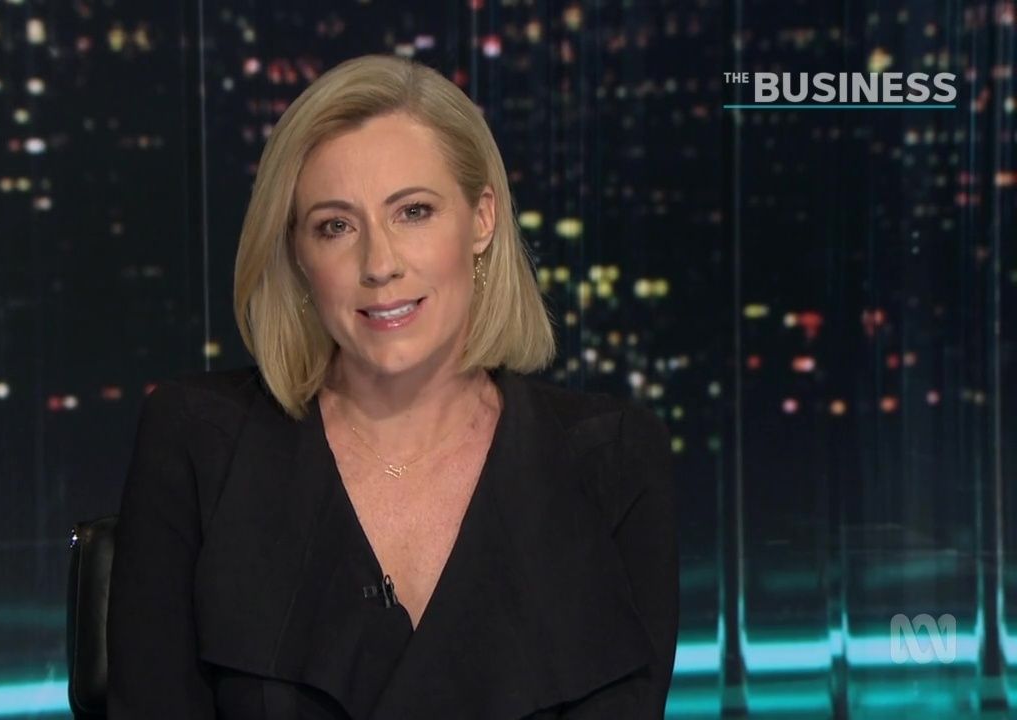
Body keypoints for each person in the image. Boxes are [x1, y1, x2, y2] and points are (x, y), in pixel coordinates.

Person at [107, 54, 677, 719]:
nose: (379, 264)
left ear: (482, 219)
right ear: (297, 252)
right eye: (336, 226)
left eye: (413, 212)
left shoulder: (611, 460)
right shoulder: (198, 443)